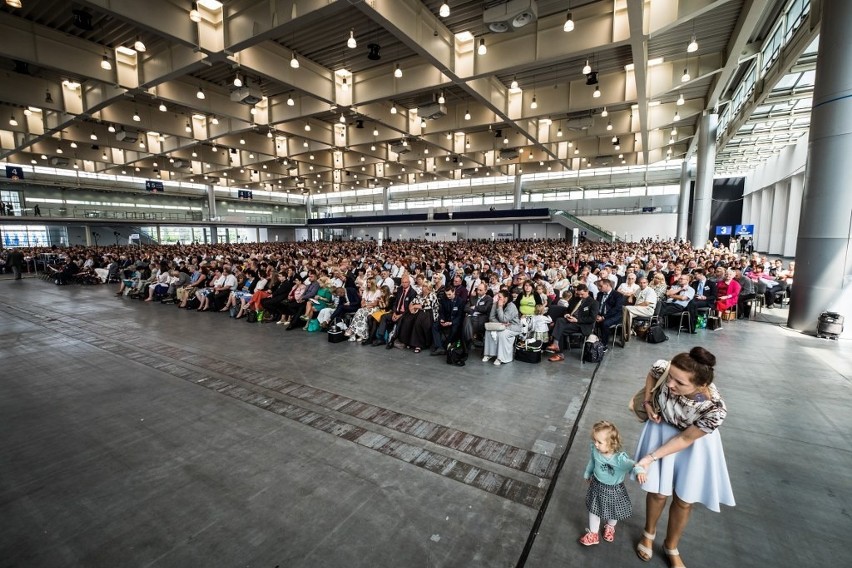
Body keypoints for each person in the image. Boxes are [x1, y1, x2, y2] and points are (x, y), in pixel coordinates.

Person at [633, 348, 735, 568]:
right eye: (670, 377)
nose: (670, 384)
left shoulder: (714, 409)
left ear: (701, 386)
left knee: (684, 499)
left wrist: (650, 458)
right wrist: (648, 401)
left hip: (692, 443)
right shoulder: (667, 368)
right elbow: (653, 372)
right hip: (661, 429)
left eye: (679, 383)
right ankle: (648, 534)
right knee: (658, 492)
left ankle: (671, 545)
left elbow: (686, 439)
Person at [579, 420, 646, 546]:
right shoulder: (595, 450)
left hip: (614, 489)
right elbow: (592, 462)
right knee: (594, 510)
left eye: (599, 442)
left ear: (611, 444)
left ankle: (610, 527)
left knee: (613, 510)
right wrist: (588, 473)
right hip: (597, 485)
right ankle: (593, 534)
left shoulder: (620, 459)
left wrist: (640, 471)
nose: (596, 444)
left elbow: (633, 464)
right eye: (595, 440)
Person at [546, 283, 599, 362]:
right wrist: (567, 314)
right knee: (560, 320)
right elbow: (567, 310)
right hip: (570, 320)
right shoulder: (575, 299)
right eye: (578, 294)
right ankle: (556, 346)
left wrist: (577, 320)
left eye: (582, 294)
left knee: (559, 328)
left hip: (581, 325)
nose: (580, 296)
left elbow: (592, 318)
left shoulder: (594, 303)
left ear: (587, 291)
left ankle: (558, 351)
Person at [481, 289, 522, 366]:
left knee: (502, 334)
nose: (498, 299)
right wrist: (500, 324)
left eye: (500, 297)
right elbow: (491, 317)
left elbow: (504, 319)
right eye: (498, 297)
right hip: (501, 325)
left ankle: (501, 357)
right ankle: (489, 354)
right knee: (488, 331)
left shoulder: (511, 306)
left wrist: (500, 307)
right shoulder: (495, 304)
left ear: (505, 298)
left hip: (513, 327)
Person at [622, 277, 657, 342]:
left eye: (644, 283)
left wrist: (635, 306)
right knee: (629, 314)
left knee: (625, 308)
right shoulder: (639, 290)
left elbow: (646, 303)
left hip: (647, 309)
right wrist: (631, 297)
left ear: (647, 283)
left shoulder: (650, 291)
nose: (642, 284)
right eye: (640, 283)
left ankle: (625, 332)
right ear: (638, 284)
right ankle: (627, 332)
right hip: (638, 309)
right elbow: (634, 294)